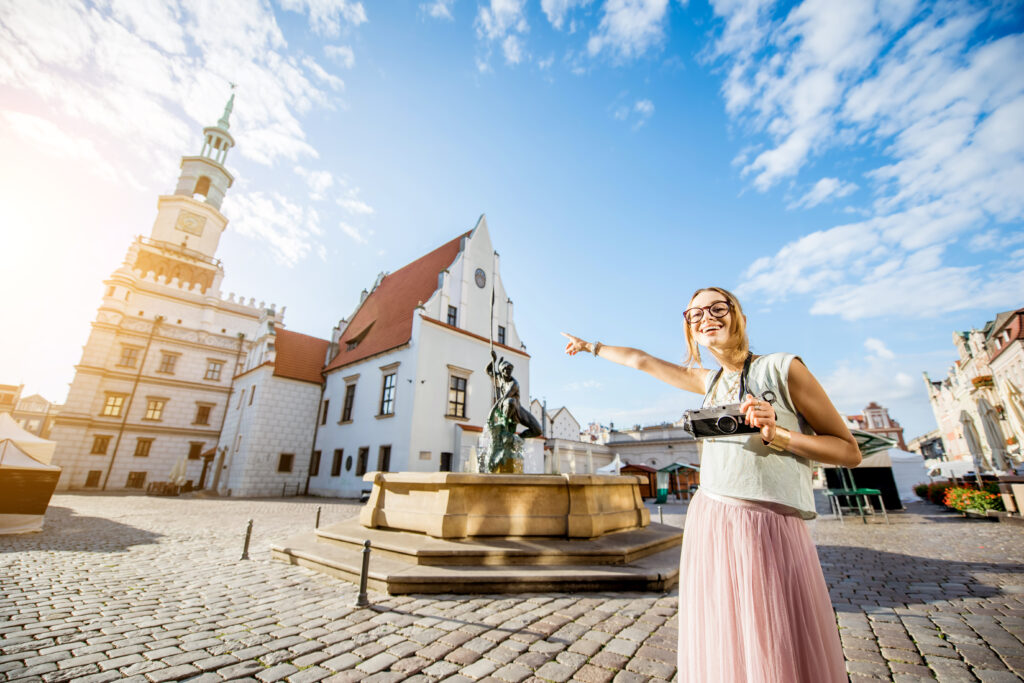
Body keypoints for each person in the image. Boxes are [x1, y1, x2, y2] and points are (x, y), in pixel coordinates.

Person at [562, 286, 859, 683]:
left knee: (772, 634)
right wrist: (589, 347)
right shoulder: (708, 382)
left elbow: (848, 451)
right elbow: (643, 361)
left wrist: (781, 433)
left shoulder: (782, 368)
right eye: (695, 314)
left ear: (739, 316)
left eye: (717, 308)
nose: (706, 318)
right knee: (725, 632)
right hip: (712, 517)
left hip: (766, 521)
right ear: (690, 329)